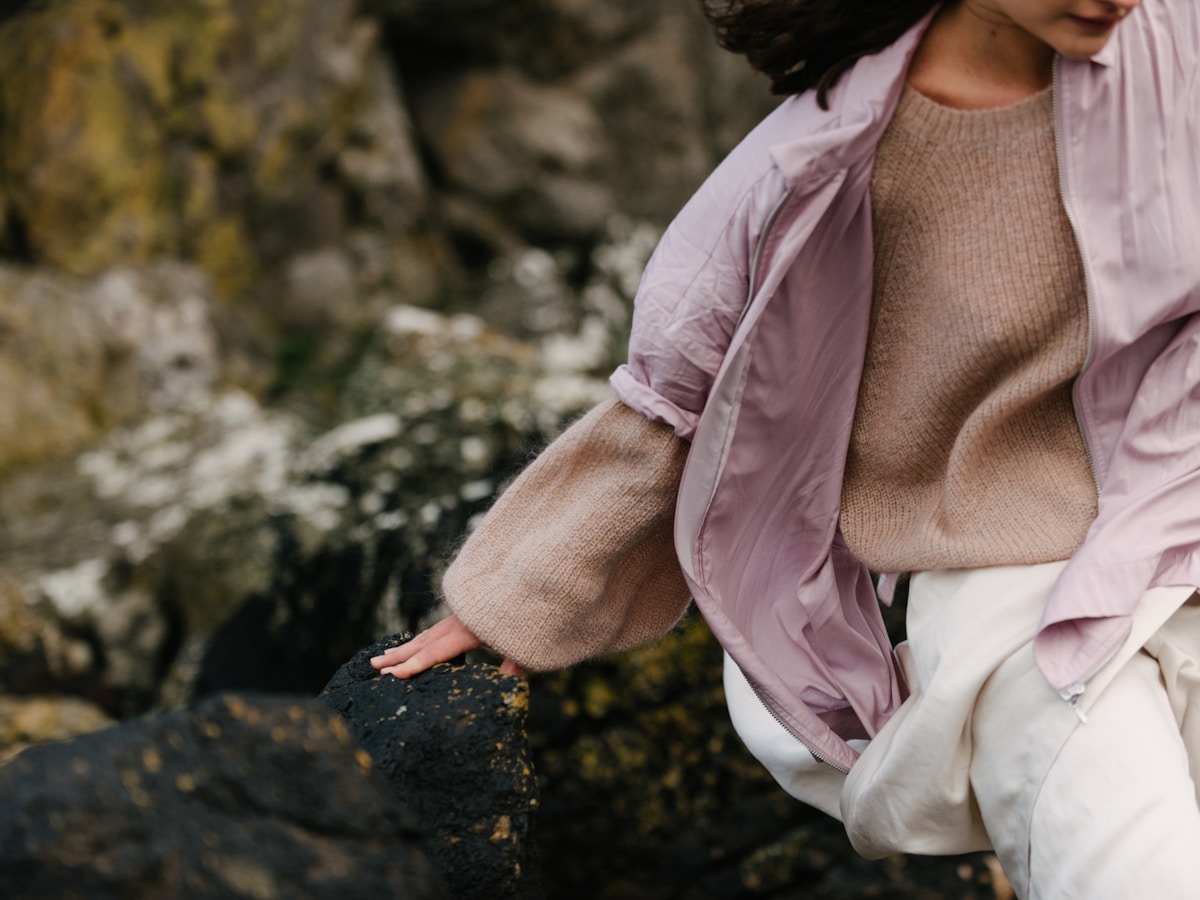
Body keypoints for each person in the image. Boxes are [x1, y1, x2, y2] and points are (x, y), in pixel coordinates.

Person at [372, 1, 1200, 895]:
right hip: (1017, 588)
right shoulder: (809, 166)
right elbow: (683, 400)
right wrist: (515, 598)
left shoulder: (1176, 48)